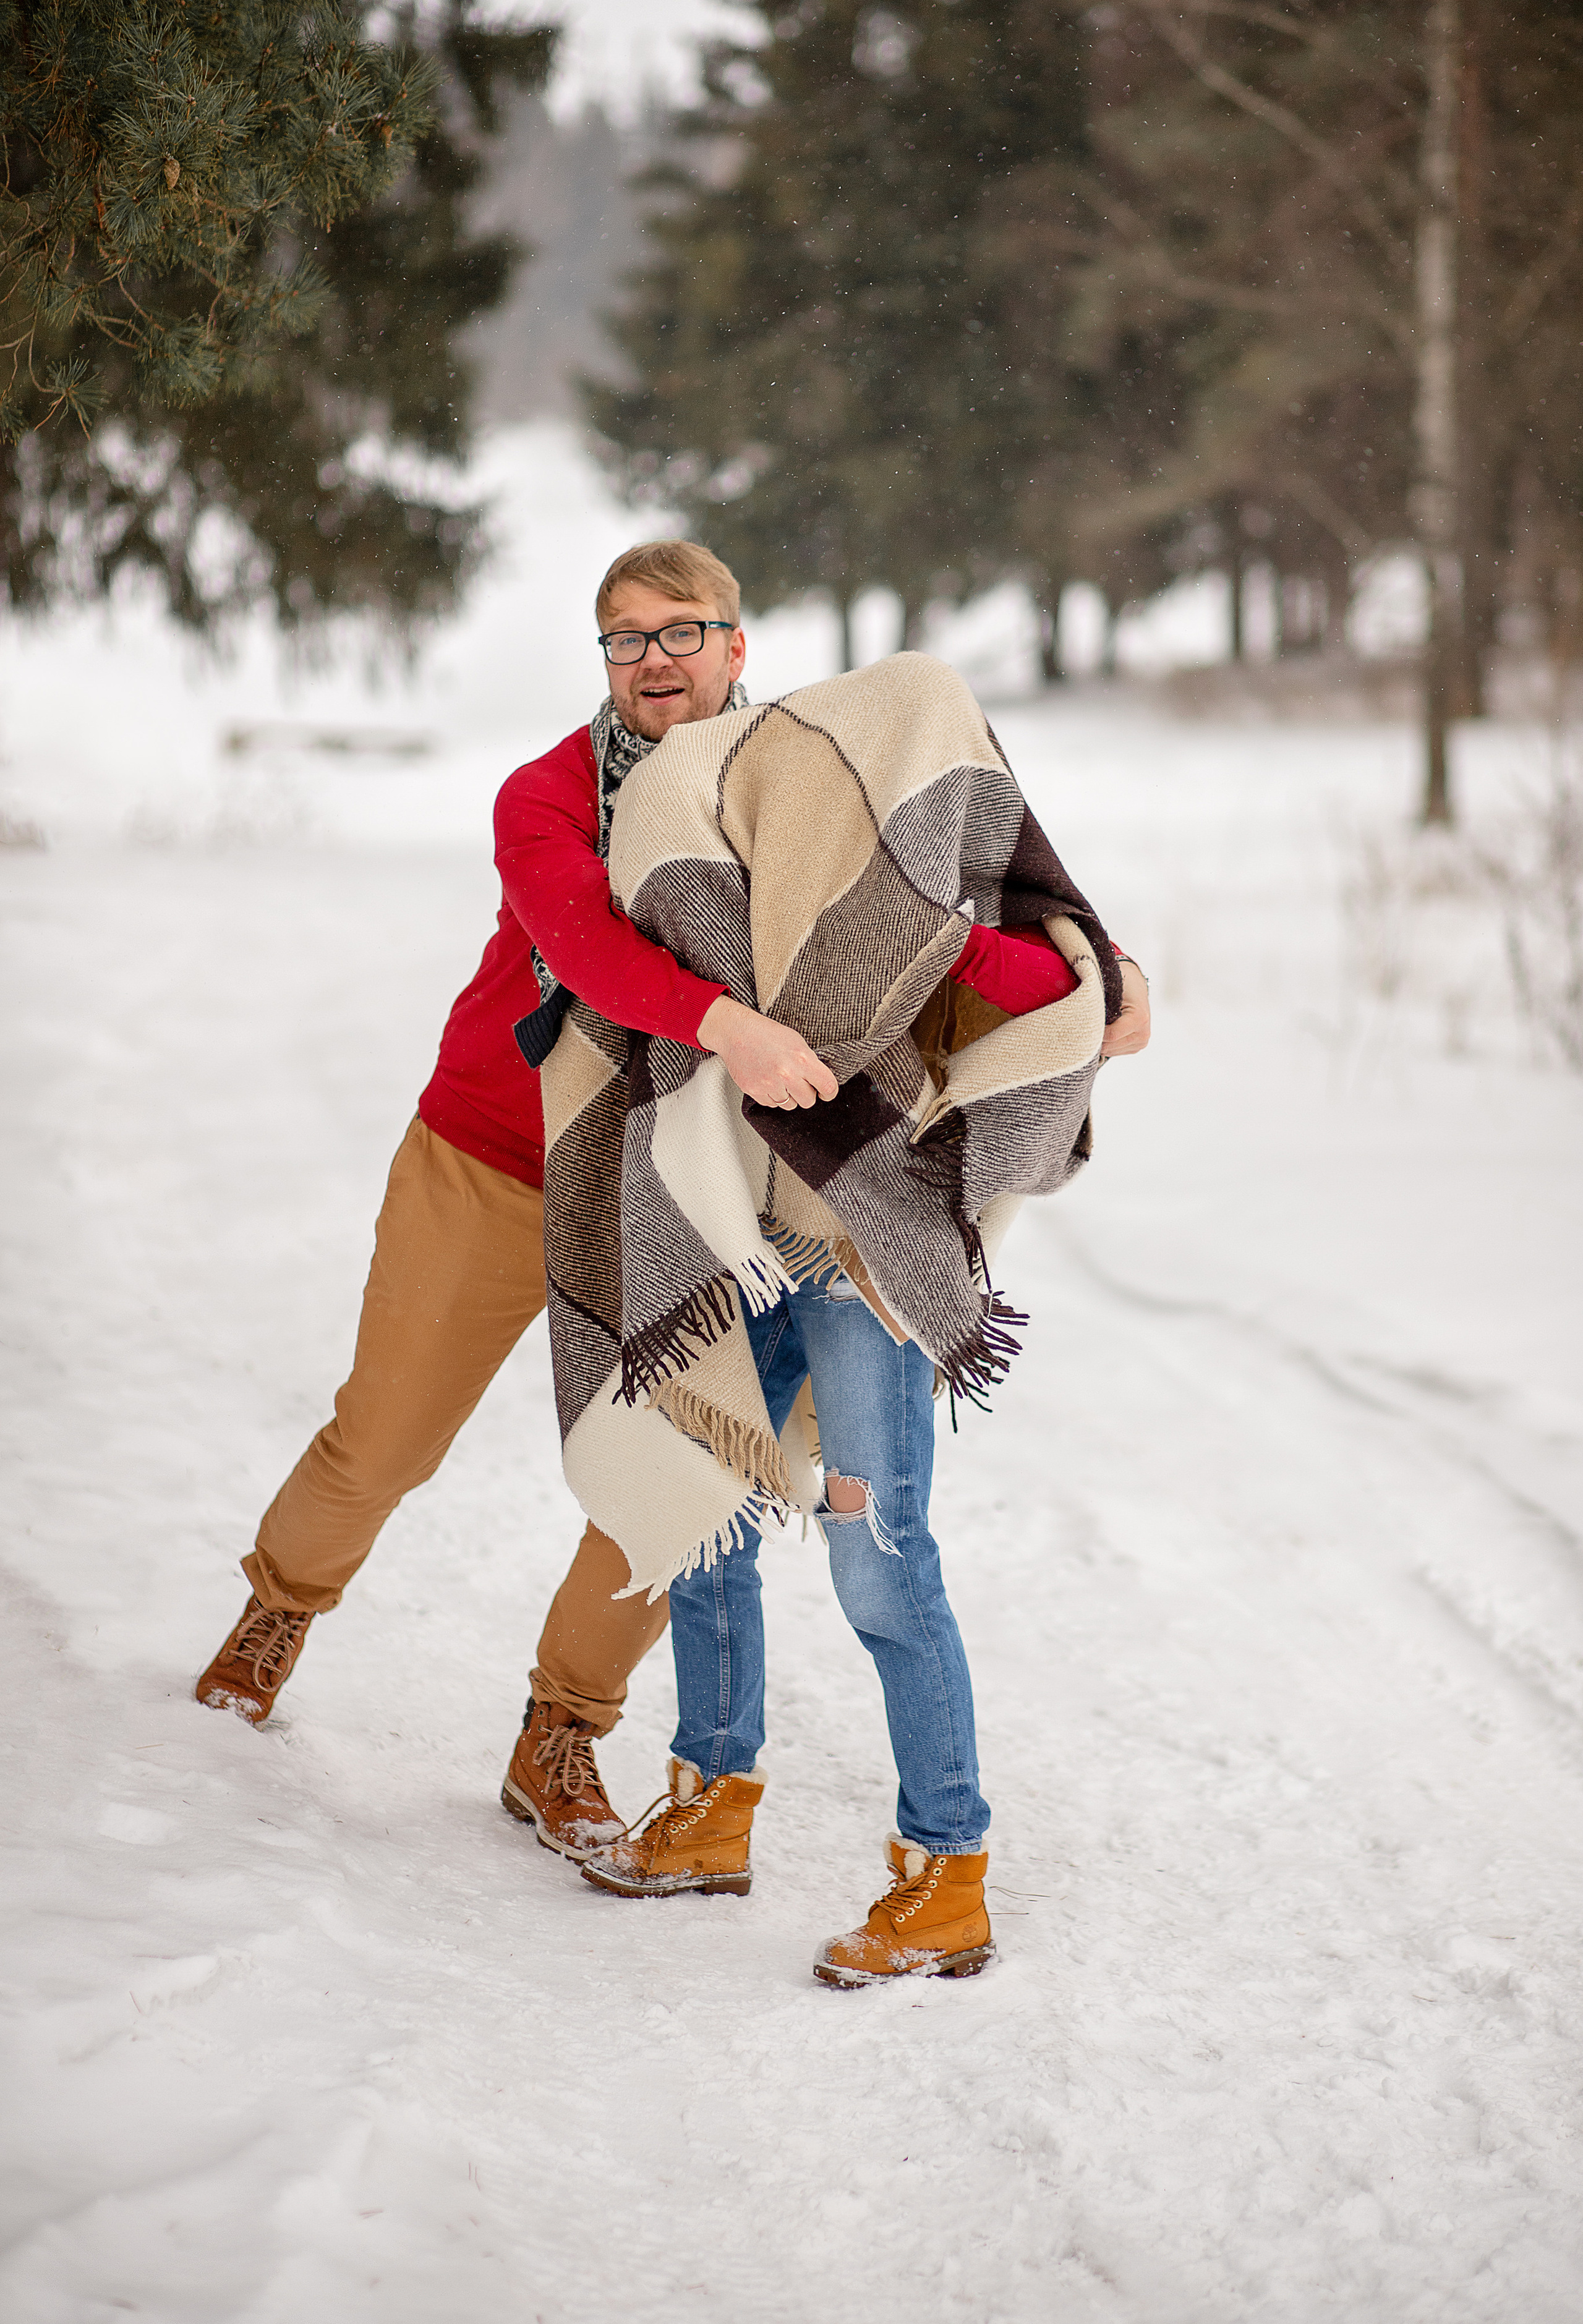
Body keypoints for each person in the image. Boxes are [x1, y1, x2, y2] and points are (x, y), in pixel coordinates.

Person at [195, 540, 1149, 1870]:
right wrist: (728, 1026)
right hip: (494, 1156)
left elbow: (907, 916)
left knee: (681, 1472)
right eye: (626, 638)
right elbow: (588, 948)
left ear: (735, 646)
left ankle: (562, 1730)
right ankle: (279, 1609)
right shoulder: (546, 795)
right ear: (603, 659)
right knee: (388, 1437)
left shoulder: (795, 779)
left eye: (682, 631)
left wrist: (1094, 974)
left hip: (675, 1186)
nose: (655, 659)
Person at [536, 643, 1150, 1984]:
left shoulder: (931, 907)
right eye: (628, 637)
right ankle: (711, 1806)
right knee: (710, 1520)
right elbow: (620, 971)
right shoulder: (698, 856)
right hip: (731, 1241)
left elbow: (1062, 994)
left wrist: (1000, 949)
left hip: (858, 1261)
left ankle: (946, 1875)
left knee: (878, 1553)